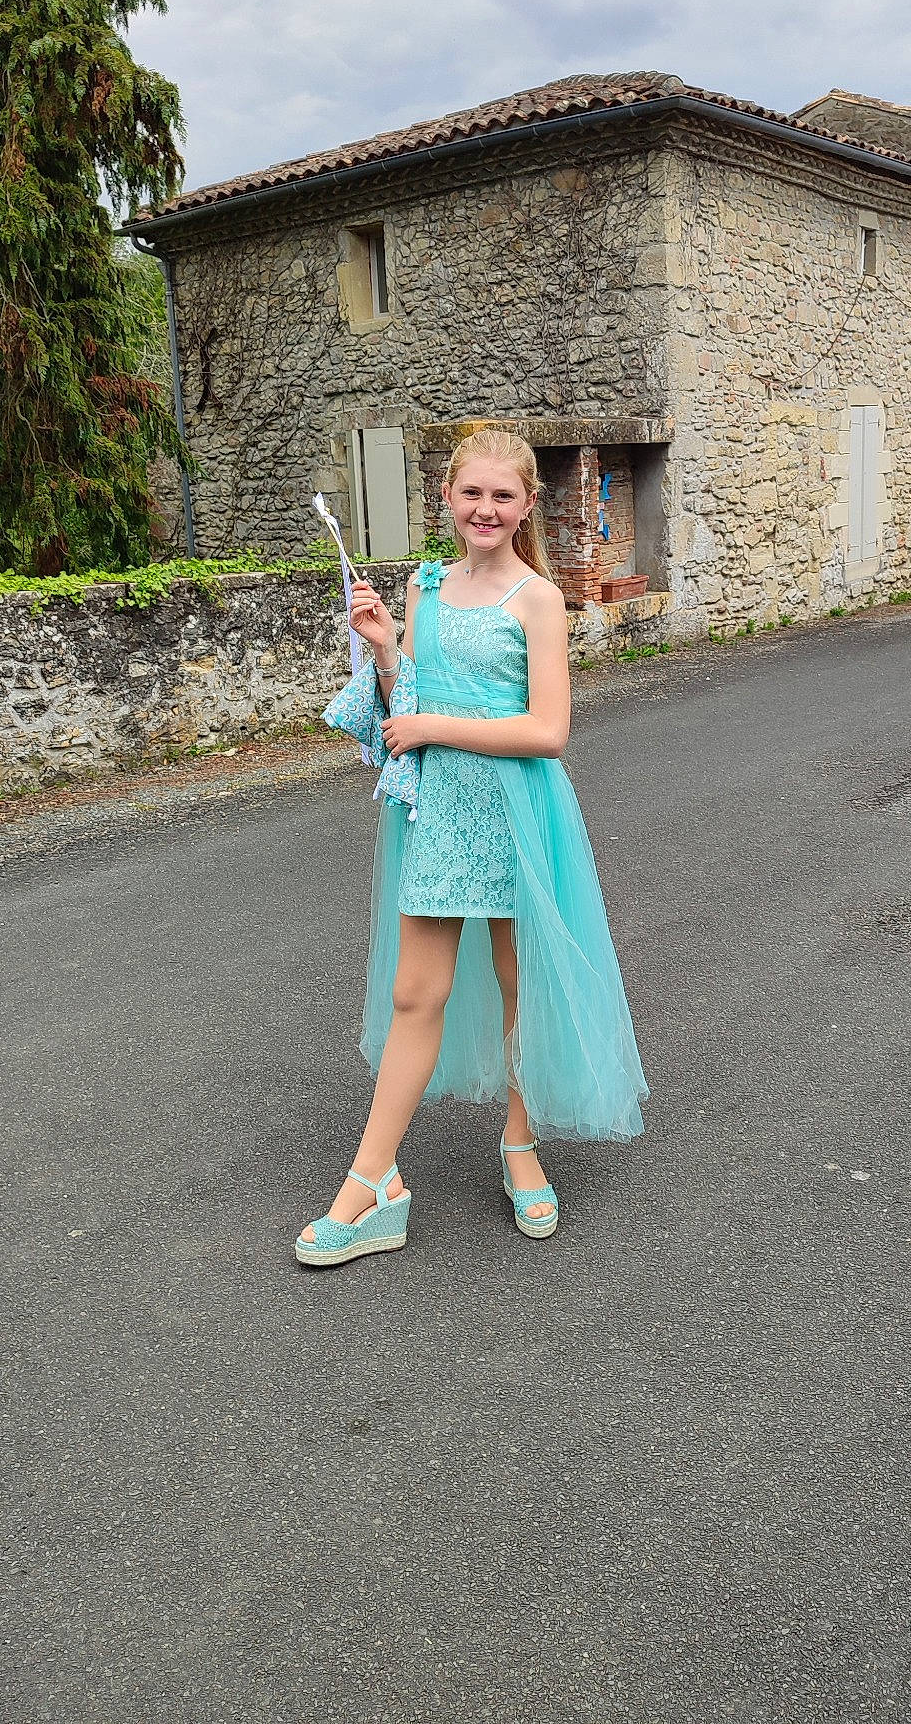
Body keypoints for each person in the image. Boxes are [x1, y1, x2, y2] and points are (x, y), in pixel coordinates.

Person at [296, 428, 647, 1267]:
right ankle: (375, 1179)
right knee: (416, 992)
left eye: (503, 496)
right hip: (441, 811)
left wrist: (431, 725)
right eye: (471, 494)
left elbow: (549, 730)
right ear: (447, 499)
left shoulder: (535, 599)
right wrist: (385, 650)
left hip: (520, 807)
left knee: (520, 980)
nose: (485, 510)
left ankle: (520, 1145)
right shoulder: (423, 585)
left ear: (527, 506)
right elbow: (406, 695)